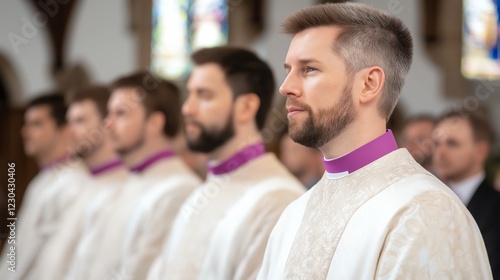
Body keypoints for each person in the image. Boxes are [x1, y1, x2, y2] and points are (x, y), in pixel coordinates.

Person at [258, 3, 492, 279]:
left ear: (369, 84)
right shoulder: (294, 213)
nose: (286, 86)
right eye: (288, 70)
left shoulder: (423, 211)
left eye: (309, 69)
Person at [148, 46, 304, 280]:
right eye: (188, 94)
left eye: (204, 95)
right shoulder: (200, 193)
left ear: (246, 107)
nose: (187, 108)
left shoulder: (278, 200)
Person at [65, 71, 200, 280]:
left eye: (120, 114)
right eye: (108, 114)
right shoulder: (123, 183)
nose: (107, 125)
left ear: (155, 122)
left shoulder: (179, 191)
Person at [22, 86, 129, 280]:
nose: (69, 131)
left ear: (107, 125)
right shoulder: (81, 183)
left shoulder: (123, 187)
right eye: (70, 122)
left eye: (80, 121)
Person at [0, 93, 87, 280]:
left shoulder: (75, 183)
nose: (25, 131)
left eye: (36, 124)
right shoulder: (42, 180)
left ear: (64, 129)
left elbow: (56, 258)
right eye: (26, 124)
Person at [433, 109, 500, 278]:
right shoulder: (429, 200)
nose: (440, 153)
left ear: (481, 151)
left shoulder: (496, 208)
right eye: (437, 143)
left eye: (452, 144)